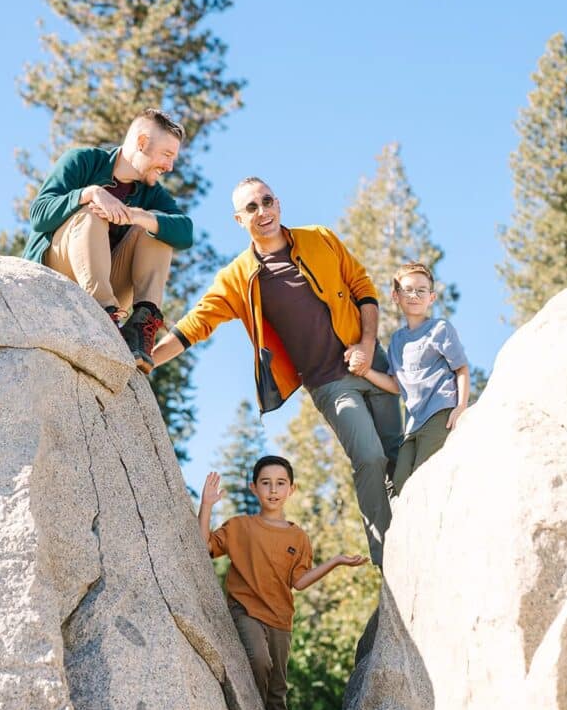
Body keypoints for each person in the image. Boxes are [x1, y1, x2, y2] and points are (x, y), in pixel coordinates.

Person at [153, 176, 403, 567]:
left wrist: (368, 345)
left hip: (373, 360)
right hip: (330, 383)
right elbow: (194, 325)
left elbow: (362, 286)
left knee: (398, 455)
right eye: (251, 208)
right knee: (370, 457)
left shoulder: (319, 238)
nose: (262, 212)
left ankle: (418, 534)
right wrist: (147, 359)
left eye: (266, 201)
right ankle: (389, 559)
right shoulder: (238, 277)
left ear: (278, 203)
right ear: (239, 220)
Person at [198, 455, 367, 710]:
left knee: (277, 691)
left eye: (280, 484)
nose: (273, 490)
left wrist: (337, 561)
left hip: (280, 620)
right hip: (245, 610)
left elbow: (299, 582)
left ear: (292, 489)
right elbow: (204, 546)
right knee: (260, 661)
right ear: (253, 488)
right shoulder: (240, 526)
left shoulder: (298, 537)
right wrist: (207, 506)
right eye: (265, 483)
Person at [23, 108, 193, 372]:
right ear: (142, 143)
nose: (169, 166)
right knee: (92, 213)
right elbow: (39, 215)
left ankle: (138, 328)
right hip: (57, 274)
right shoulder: (83, 161)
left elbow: (185, 233)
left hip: (111, 285)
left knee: (156, 224)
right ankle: (103, 318)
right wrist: (89, 194)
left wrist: (137, 216)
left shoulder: (151, 192)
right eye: (167, 155)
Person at [349, 261, 470, 494]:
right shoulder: (397, 340)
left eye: (421, 290)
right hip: (413, 423)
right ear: (396, 296)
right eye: (407, 290)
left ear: (432, 297)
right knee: (401, 482)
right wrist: (366, 372)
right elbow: (396, 385)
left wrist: (461, 407)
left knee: (426, 479)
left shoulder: (440, 329)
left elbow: (461, 369)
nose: (414, 295)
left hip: (440, 414)